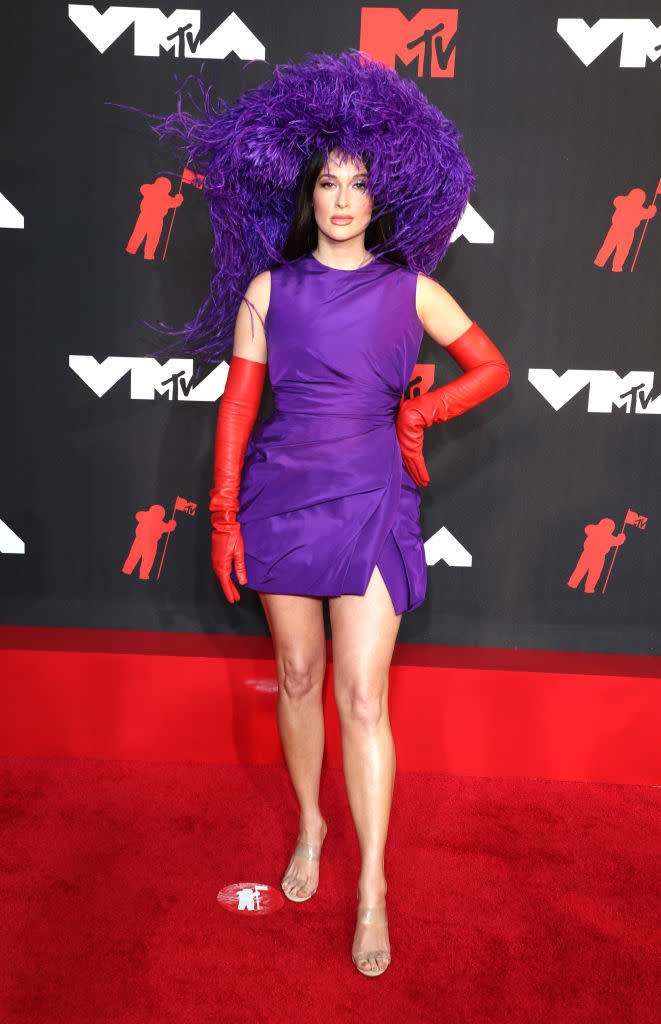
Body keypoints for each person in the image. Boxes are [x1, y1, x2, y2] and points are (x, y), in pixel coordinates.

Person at [153, 50, 509, 977]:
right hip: (281, 499)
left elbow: (491, 369)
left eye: (357, 184)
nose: (342, 199)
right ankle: (311, 829)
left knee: (361, 695)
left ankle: (373, 889)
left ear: (377, 196)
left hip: (369, 501)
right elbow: (236, 410)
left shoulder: (409, 289)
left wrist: (419, 411)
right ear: (307, 194)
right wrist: (226, 512)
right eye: (327, 182)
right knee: (300, 678)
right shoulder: (269, 291)